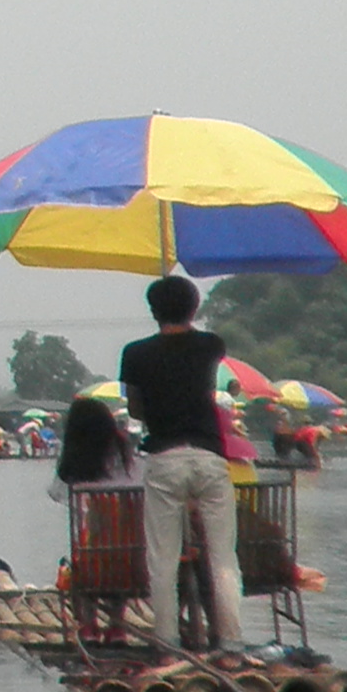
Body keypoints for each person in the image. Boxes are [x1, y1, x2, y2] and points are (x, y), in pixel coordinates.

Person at [121, 274, 250, 654]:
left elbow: (135, 408)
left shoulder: (135, 353)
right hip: (209, 457)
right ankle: (230, 640)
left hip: (164, 457)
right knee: (223, 555)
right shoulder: (211, 345)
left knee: (162, 557)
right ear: (194, 308)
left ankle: (167, 640)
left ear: (152, 310)